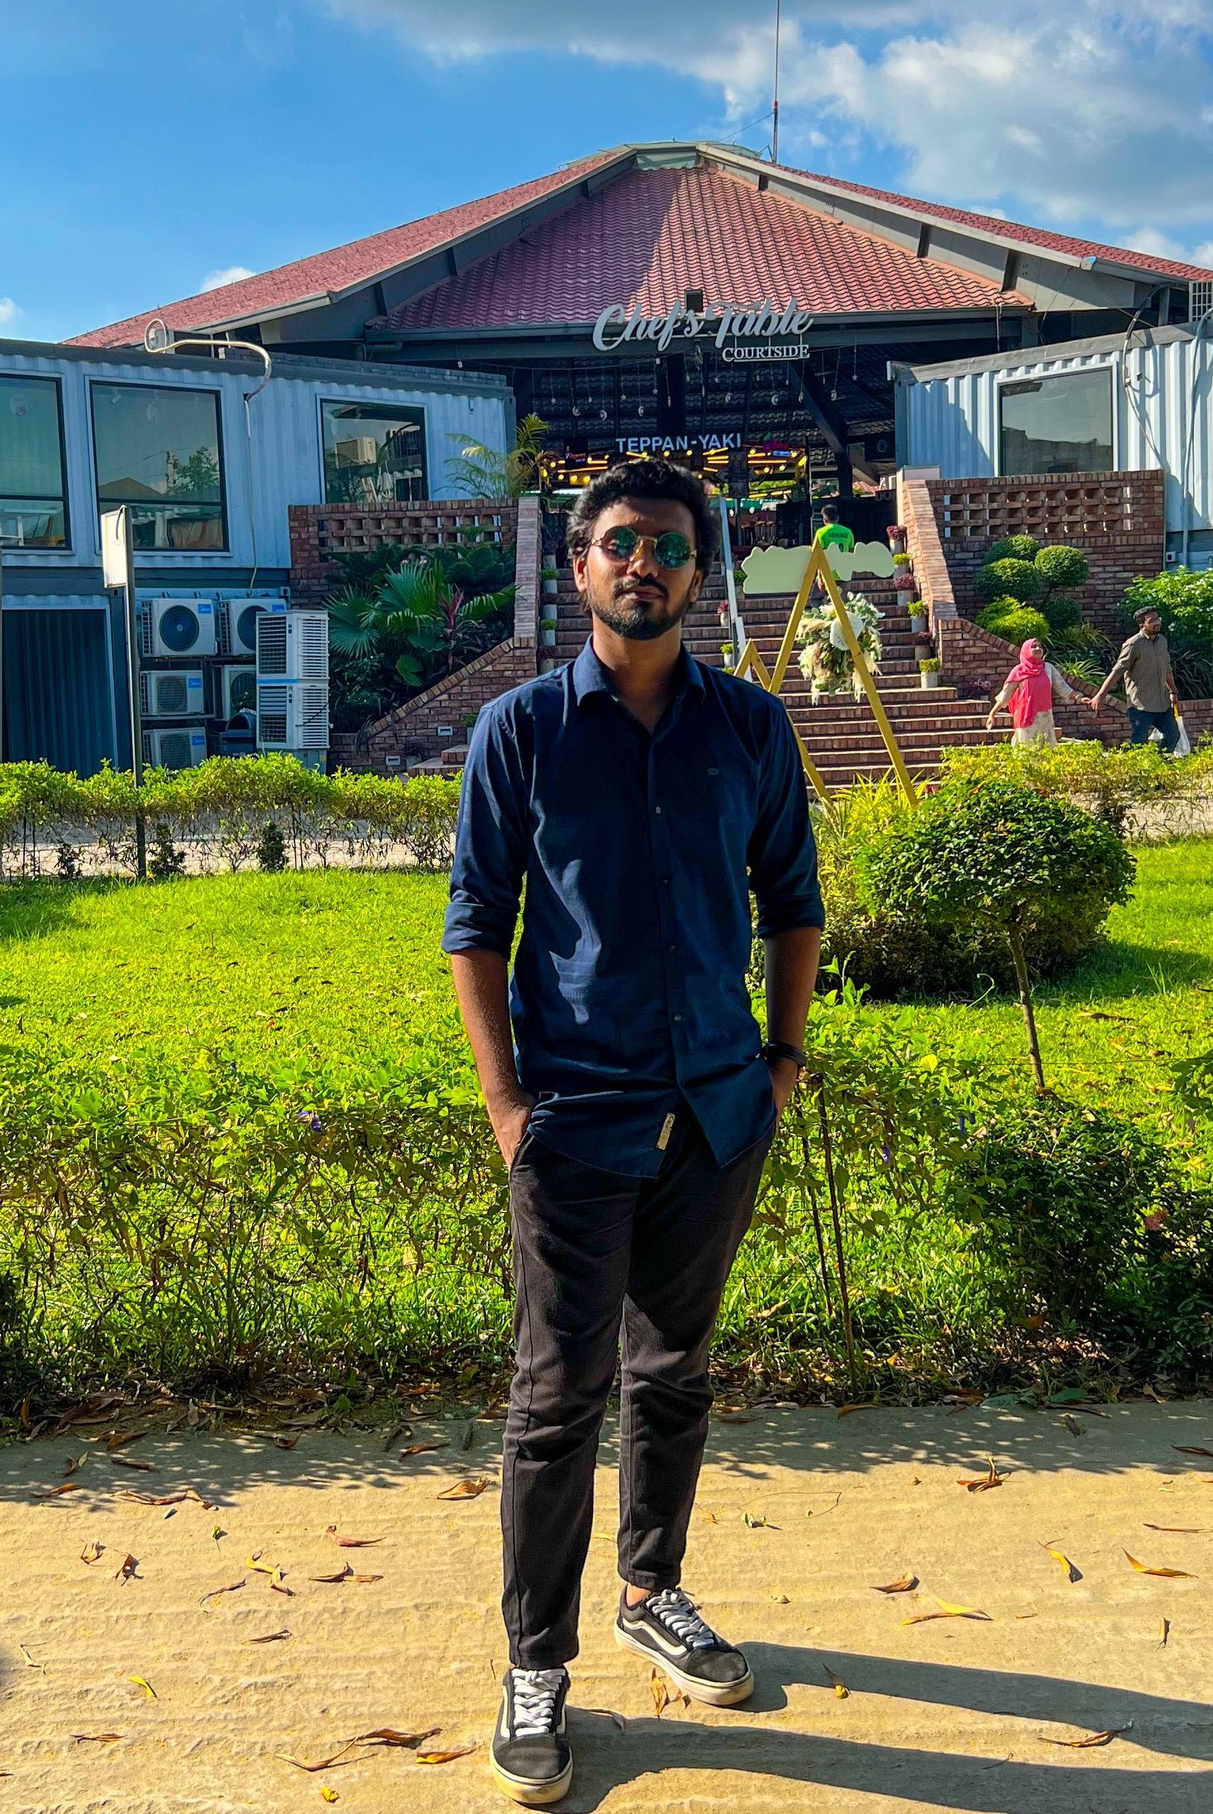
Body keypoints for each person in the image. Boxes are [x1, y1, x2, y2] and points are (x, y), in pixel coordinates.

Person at [444, 459, 823, 1808]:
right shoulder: (521, 730)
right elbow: (476, 925)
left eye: (666, 544)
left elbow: (792, 901)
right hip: (574, 1118)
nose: (642, 564)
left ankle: (650, 1589)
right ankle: (534, 1663)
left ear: (697, 569)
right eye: (619, 543)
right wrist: (505, 1102)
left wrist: (780, 1061)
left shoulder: (751, 727)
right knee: (556, 1399)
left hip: (716, 1111)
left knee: (675, 1372)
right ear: (579, 568)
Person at [1092, 605, 1181, 747]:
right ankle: (1140, 762)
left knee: (1173, 736)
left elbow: (1167, 669)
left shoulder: (1162, 641)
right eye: (1152, 620)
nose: (1157, 622)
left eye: (1157, 618)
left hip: (1162, 704)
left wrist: (1173, 692)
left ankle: (1160, 760)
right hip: (1141, 705)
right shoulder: (1133, 644)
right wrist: (1101, 694)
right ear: (1142, 625)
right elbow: (1118, 670)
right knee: (1139, 744)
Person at [985, 636, 1088, 746]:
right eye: (1034, 646)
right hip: (1026, 717)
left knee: (1046, 750)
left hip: (1045, 717)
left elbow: (1061, 687)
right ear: (1026, 650)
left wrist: (1078, 697)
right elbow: (1006, 694)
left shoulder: (1048, 668)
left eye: (1040, 646)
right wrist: (992, 714)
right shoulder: (1018, 671)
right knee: (1026, 749)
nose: (1038, 649)